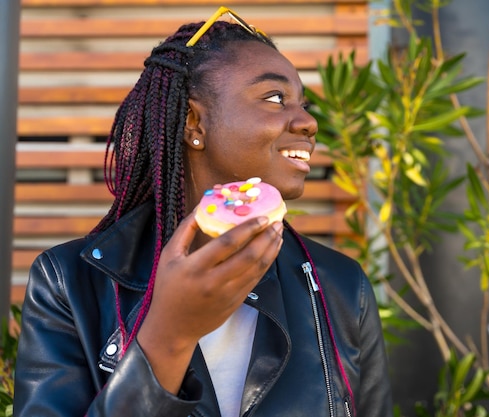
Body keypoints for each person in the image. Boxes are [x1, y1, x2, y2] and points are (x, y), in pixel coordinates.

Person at [13, 6, 392, 417]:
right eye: (275, 98)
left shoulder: (339, 286)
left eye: (303, 104)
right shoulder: (70, 283)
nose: (307, 122)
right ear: (195, 121)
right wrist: (169, 337)